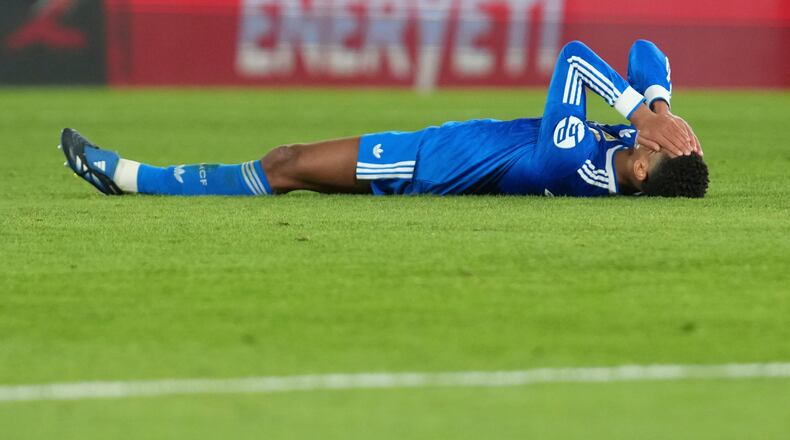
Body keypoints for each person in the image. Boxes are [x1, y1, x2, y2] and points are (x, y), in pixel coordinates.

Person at [61, 40, 708, 198]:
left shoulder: (573, 160)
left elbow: (572, 60)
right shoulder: (638, 153)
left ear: (647, 165)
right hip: (441, 144)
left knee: (286, 164)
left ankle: (126, 177)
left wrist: (640, 108)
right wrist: (662, 107)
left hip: (425, 165)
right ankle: (131, 177)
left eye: (662, 141)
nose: (655, 135)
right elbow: (647, 50)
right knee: (286, 161)